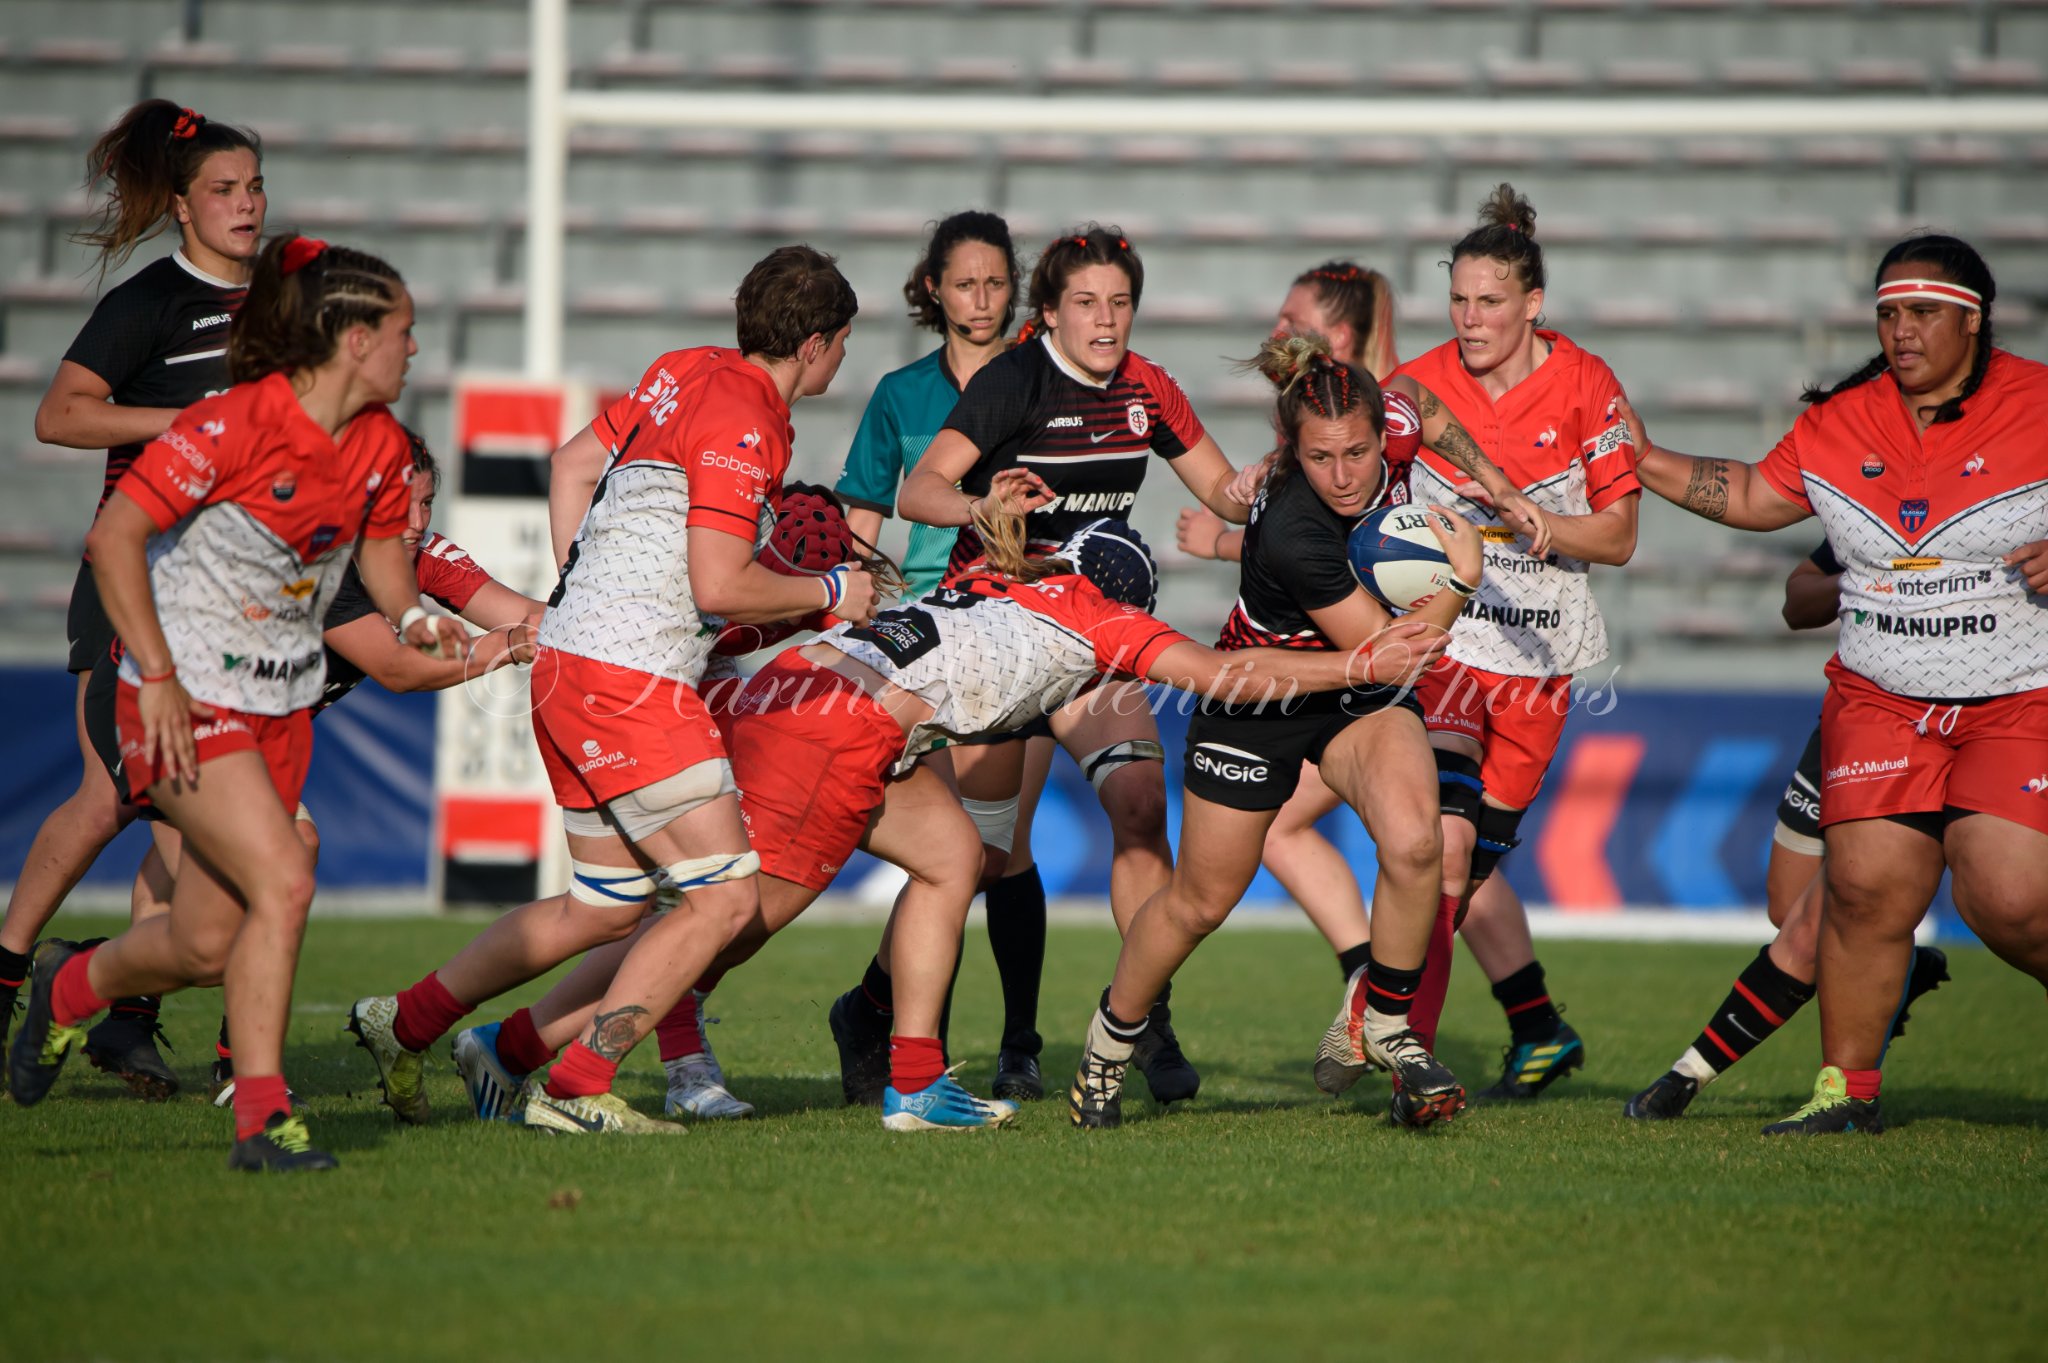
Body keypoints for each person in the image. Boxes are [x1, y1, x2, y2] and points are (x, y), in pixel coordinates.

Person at [451, 506, 1447, 1131]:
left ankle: (915, 1079)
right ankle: (547, 1065)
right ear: (1126, 594)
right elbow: (1222, 673)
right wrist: (1358, 665)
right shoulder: (1103, 618)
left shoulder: (1008, 584)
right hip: (830, 737)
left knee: (949, 854)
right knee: (716, 927)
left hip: (796, 698)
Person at [346, 245, 882, 1136]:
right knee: (724, 899)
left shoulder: (682, 369)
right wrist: (830, 593)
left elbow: (566, 464)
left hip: (568, 663)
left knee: (606, 905)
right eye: (843, 345)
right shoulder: (750, 416)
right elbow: (718, 585)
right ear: (820, 344)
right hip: (631, 682)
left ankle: (403, 1023)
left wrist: (579, 593)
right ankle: (578, 1083)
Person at [8, 235, 461, 1173]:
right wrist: (159, 676)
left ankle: (70, 984)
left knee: (209, 941)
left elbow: (380, 559)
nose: (415, 350)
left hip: (278, 707)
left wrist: (415, 615)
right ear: (352, 339)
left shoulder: (377, 444)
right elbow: (115, 538)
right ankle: (262, 1121)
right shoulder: (232, 425)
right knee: (286, 875)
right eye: (404, 331)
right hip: (178, 696)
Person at [1623, 233, 2048, 1135]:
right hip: (1879, 700)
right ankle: (1844, 1096)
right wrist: (1643, 458)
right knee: (1860, 895)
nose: (1901, 332)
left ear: (1973, 319)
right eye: (1889, 313)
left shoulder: (2038, 401)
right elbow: (1749, 496)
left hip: (2018, 695)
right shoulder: (1842, 418)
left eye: (1923, 313)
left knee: (2007, 896)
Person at [825, 225, 1257, 1108]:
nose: (1107, 320)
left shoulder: (1148, 386)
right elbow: (919, 490)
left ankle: (1144, 1012)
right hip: (1003, 634)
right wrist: (985, 505)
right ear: (1051, 310)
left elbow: (1223, 489)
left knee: (1138, 808)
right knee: (981, 854)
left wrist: (1283, 476)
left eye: (1121, 302)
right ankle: (875, 1008)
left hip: (1098, 636)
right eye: (1087, 303)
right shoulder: (1015, 378)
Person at [1068, 333, 1484, 1131]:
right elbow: (1384, 654)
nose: (1345, 473)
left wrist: (1497, 487)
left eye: (1359, 452)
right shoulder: (1297, 525)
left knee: (1416, 843)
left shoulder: (1390, 423)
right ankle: (1107, 1044)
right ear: (1292, 448)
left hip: (1354, 691)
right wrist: (1459, 579)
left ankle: (1387, 1026)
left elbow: (1424, 407)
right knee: (1198, 902)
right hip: (1261, 692)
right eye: (1321, 456)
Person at [1177, 260, 1550, 999]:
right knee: (1439, 849)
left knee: (1428, 846)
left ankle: (1377, 1000)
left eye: (1294, 321)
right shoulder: (1322, 448)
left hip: (1408, 649)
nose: (1277, 333)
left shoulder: (1369, 415)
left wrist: (1491, 512)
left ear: (1339, 336)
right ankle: (1512, 1015)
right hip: (1375, 646)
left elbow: (1376, 632)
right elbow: (1307, 552)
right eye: (1320, 457)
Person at [0, 99, 267, 1084]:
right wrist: (192, 424)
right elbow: (58, 415)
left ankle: (118, 1009)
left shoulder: (283, 300)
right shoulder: (151, 301)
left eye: (254, 188)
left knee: (176, 801)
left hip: (233, 594)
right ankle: (23, 979)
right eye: (223, 192)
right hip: (132, 580)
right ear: (184, 209)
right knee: (122, 797)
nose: (245, 206)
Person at [1386, 185, 1639, 1101]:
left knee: (1466, 871)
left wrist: (1538, 522)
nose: (1471, 319)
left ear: (1533, 303)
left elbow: (1617, 537)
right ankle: (1403, 1051)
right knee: (1444, 851)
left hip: (1540, 664)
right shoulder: (1415, 387)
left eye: (1490, 302)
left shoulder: (1586, 385)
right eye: (1458, 300)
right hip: (1445, 651)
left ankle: (1527, 1022)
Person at [1624, 543, 1948, 1119]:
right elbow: (1797, 604)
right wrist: (1866, 578)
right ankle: (1900, 974)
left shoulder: (2007, 506)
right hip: (1857, 711)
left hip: (1954, 720)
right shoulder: (1868, 503)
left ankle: (1685, 1078)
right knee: (1787, 905)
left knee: (1813, 927)